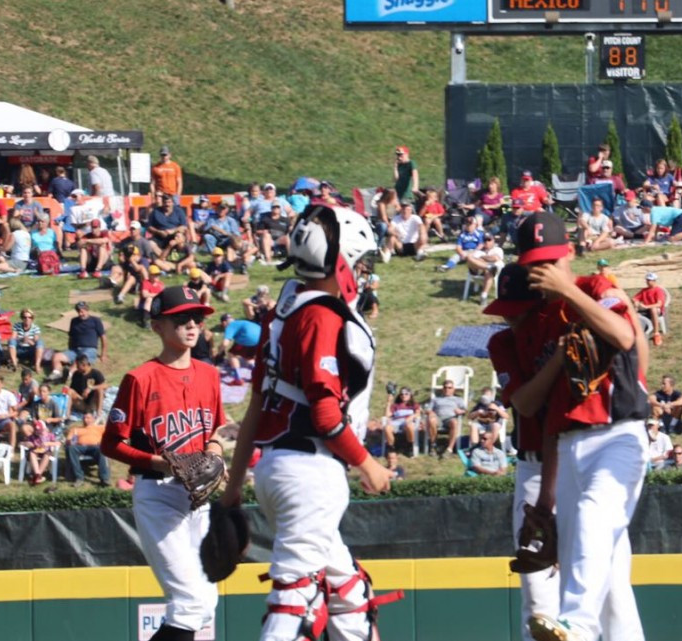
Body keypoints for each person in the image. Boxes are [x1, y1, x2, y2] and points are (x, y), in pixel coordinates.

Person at [219, 205, 396, 641]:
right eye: (360, 261)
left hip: (278, 467)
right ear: (341, 261)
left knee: (349, 593)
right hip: (310, 472)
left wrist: (233, 491)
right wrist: (367, 463)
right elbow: (325, 414)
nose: (364, 270)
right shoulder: (321, 315)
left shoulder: (284, 311)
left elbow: (257, 405)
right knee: (294, 598)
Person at [514, 211, 649, 641]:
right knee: (603, 575)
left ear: (569, 252)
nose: (544, 270)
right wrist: (546, 500)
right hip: (568, 447)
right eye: (535, 263)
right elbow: (551, 419)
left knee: (593, 515)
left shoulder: (596, 287)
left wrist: (569, 290)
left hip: (618, 435)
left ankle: (578, 625)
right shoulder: (541, 321)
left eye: (551, 260)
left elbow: (623, 336)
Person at [100, 286, 225, 641]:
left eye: (196, 318)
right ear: (157, 326)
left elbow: (216, 427)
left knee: (206, 603)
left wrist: (215, 451)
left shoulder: (209, 375)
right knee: (189, 603)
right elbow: (111, 444)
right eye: (181, 319)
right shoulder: (140, 378)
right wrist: (161, 463)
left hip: (198, 497)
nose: (192, 324)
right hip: (159, 496)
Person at [482, 262, 559, 639]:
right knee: (535, 584)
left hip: (578, 462)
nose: (510, 319)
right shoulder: (502, 343)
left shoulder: (559, 328)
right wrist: (560, 360)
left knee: (590, 581)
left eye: (518, 311)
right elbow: (526, 404)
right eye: (506, 311)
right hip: (533, 466)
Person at [49, 302, 107, 381]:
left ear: (87, 310)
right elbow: (71, 336)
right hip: (74, 350)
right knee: (56, 356)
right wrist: (69, 349)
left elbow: (103, 337)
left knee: (80, 360)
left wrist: (103, 354)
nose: (80, 314)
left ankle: (69, 374)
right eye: (78, 311)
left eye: (82, 311)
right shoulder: (74, 321)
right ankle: (56, 373)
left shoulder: (95, 320)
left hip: (89, 349)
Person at [66, 412, 110, 488]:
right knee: (71, 448)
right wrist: (71, 441)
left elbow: (111, 435)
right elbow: (68, 440)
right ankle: (79, 477)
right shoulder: (76, 429)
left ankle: (104, 479)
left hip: (96, 447)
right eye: (84, 418)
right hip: (80, 447)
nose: (86, 420)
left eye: (88, 418)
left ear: (93, 419)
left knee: (102, 449)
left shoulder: (100, 428)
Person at [426, 379, 466, 456]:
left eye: (449, 387)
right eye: (445, 387)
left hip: (450, 418)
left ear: (453, 389)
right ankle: (433, 446)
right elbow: (428, 410)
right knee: (432, 420)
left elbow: (465, 410)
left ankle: (449, 449)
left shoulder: (458, 399)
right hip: (438, 418)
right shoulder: (436, 399)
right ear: (443, 389)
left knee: (454, 422)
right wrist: (431, 413)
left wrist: (461, 411)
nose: (447, 389)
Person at [631, 272, 668, 347]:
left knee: (653, 309)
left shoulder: (658, 290)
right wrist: (636, 302)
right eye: (647, 280)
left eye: (649, 280)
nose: (647, 282)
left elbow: (659, 304)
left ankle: (656, 334)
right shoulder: (644, 290)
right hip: (645, 310)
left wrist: (647, 307)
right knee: (634, 311)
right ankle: (635, 333)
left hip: (656, 310)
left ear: (654, 281)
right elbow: (634, 298)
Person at [21, 419, 58, 485]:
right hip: (36, 452)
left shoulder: (50, 435)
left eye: (41, 430)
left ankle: (37, 476)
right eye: (37, 431)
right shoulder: (32, 437)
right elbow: (21, 443)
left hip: (46, 452)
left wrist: (49, 443)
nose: (39, 432)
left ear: (45, 429)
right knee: (32, 453)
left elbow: (58, 443)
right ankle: (38, 475)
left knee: (47, 454)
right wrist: (27, 443)